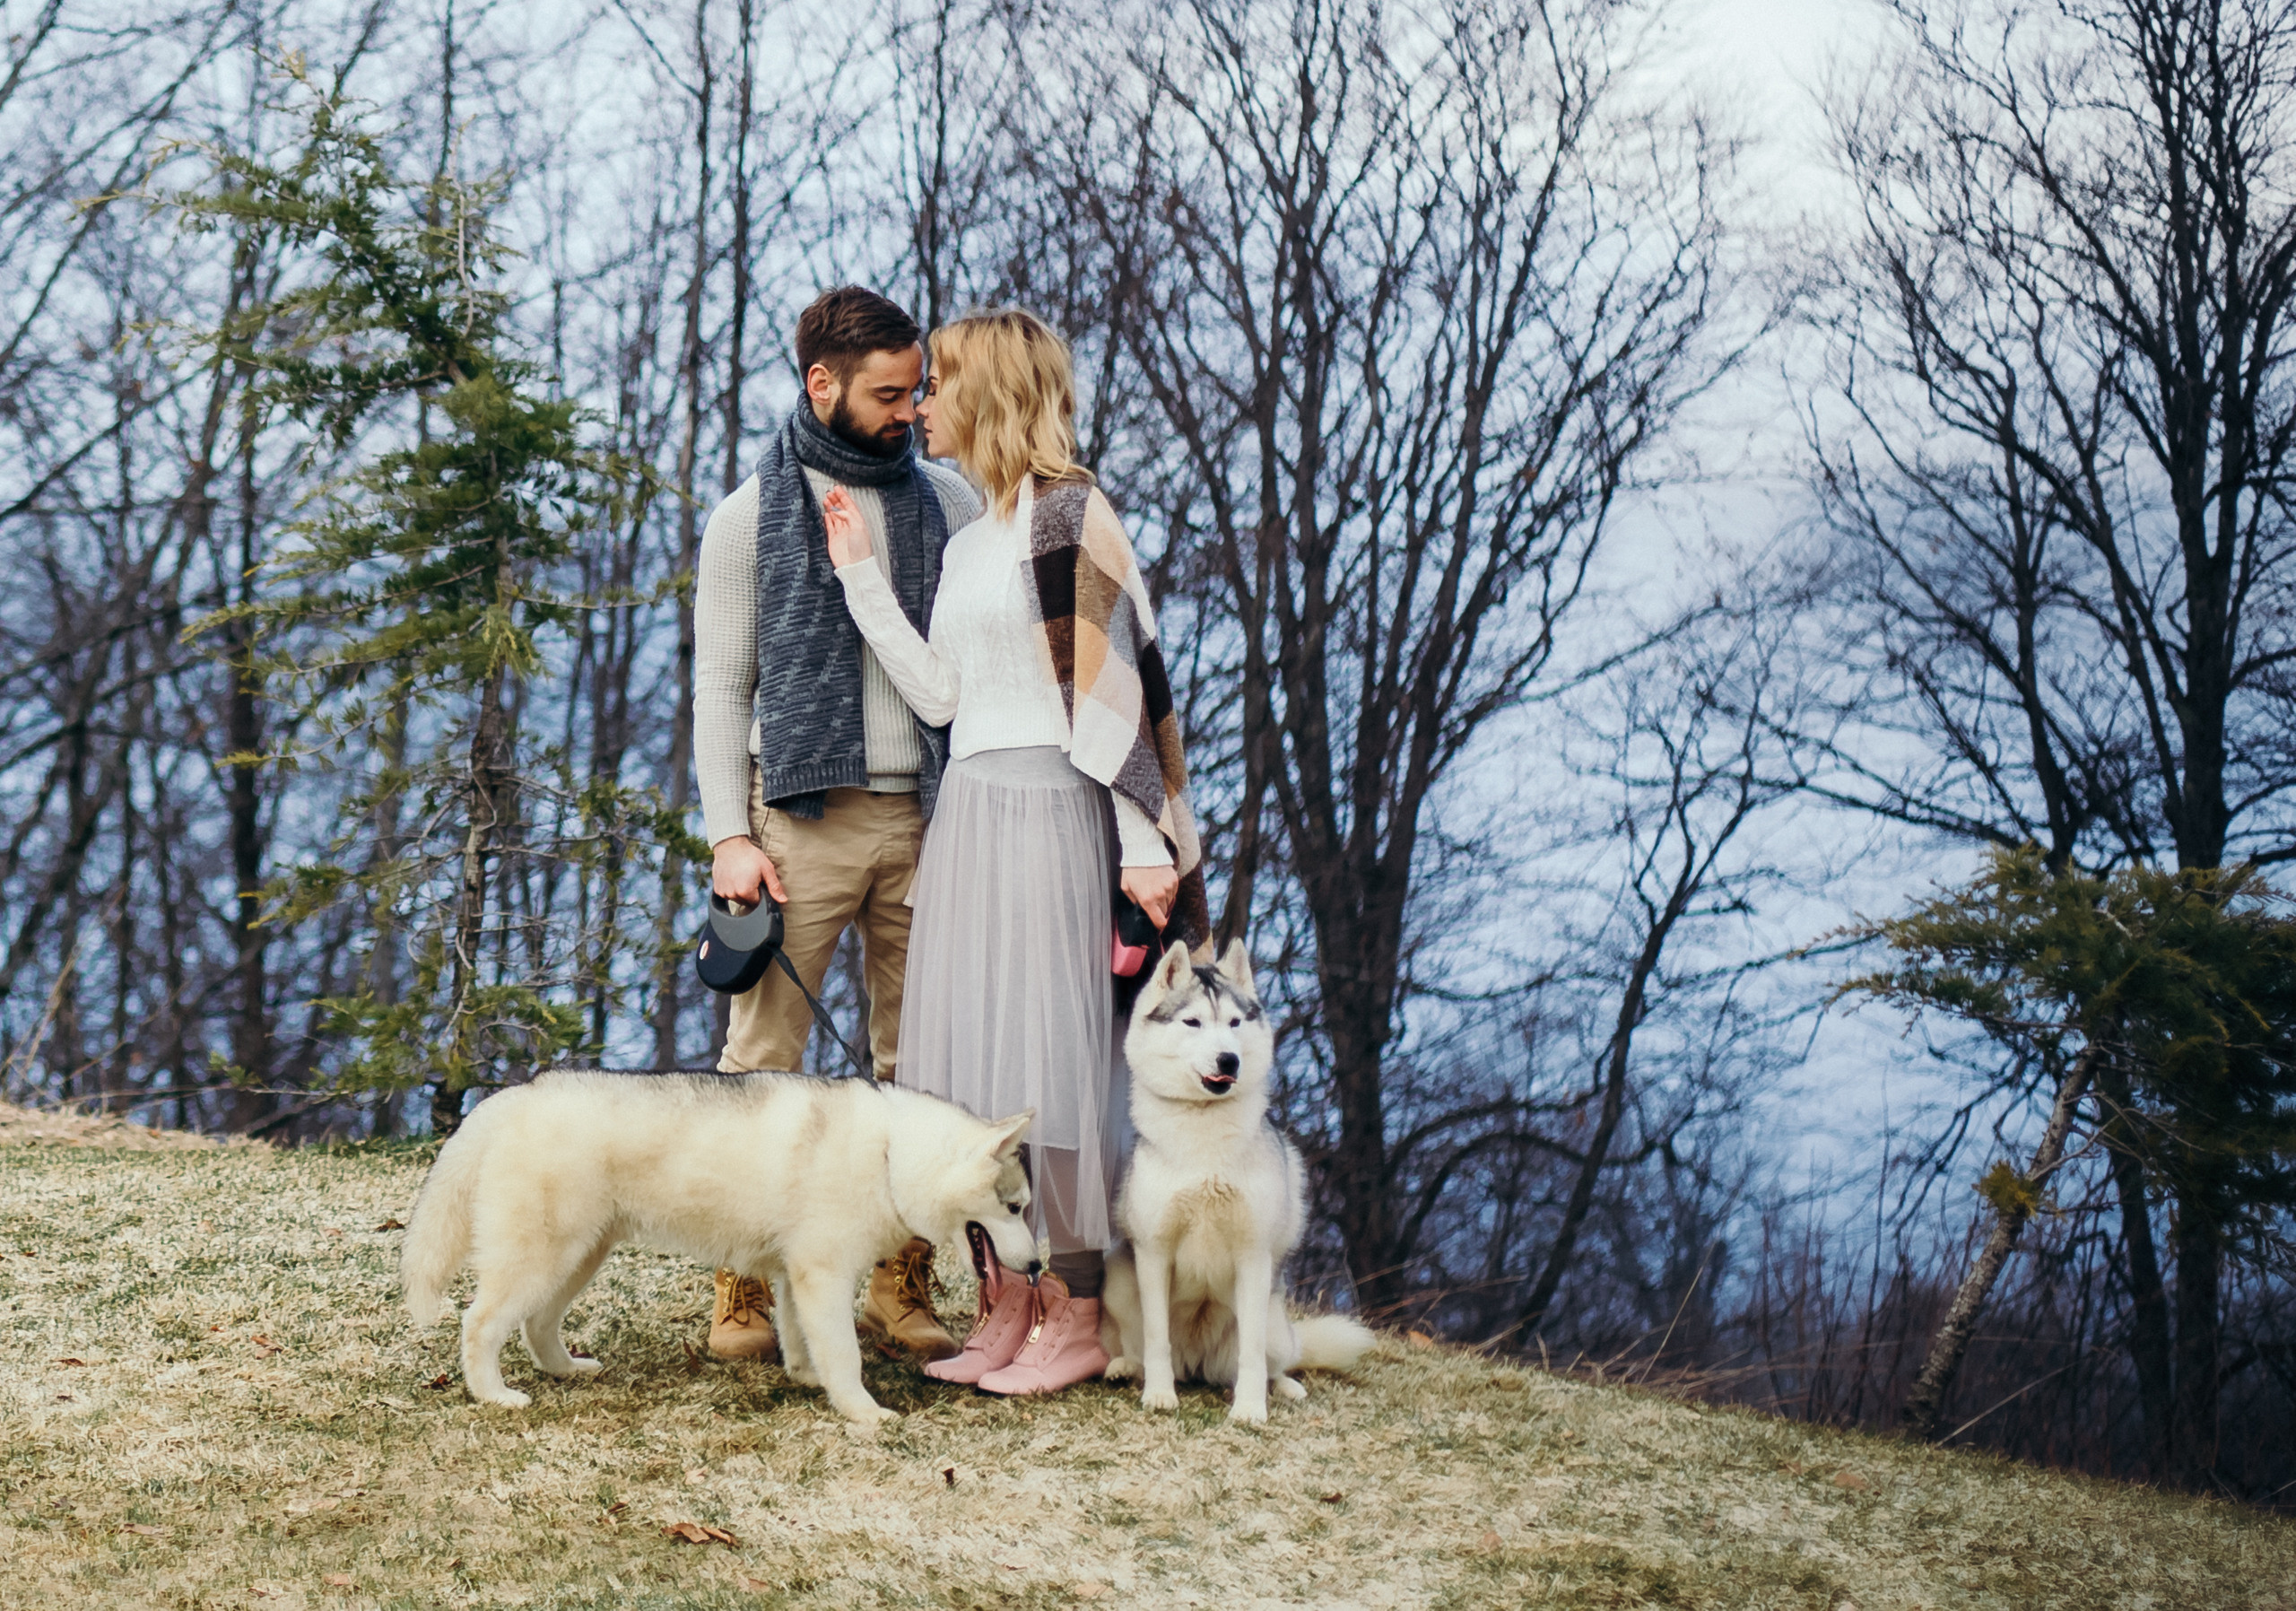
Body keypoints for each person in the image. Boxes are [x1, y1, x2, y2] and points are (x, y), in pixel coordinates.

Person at [822, 306, 1211, 1396]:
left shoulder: (1070, 515)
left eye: (937, 384)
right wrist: (861, 582)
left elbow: (1119, 692)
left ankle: (1076, 1314)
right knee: (975, 1075)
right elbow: (945, 695)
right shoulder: (967, 541)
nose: (922, 405)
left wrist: (1145, 846)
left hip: (1052, 813)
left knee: (1055, 1067)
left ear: (987, 394)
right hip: (974, 812)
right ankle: (1007, 1305)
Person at [691, 286, 982, 1362]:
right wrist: (731, 832)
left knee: (926, 1064)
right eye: (888, 392)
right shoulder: (747, 517)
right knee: (761, 1060)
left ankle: (901, 1284)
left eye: (919, 391)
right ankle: (742, 1291)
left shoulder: (947, 504)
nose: (910, 411)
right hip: (798, 821)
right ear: (821, 383)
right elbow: (721, 687)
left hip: (933, 816)